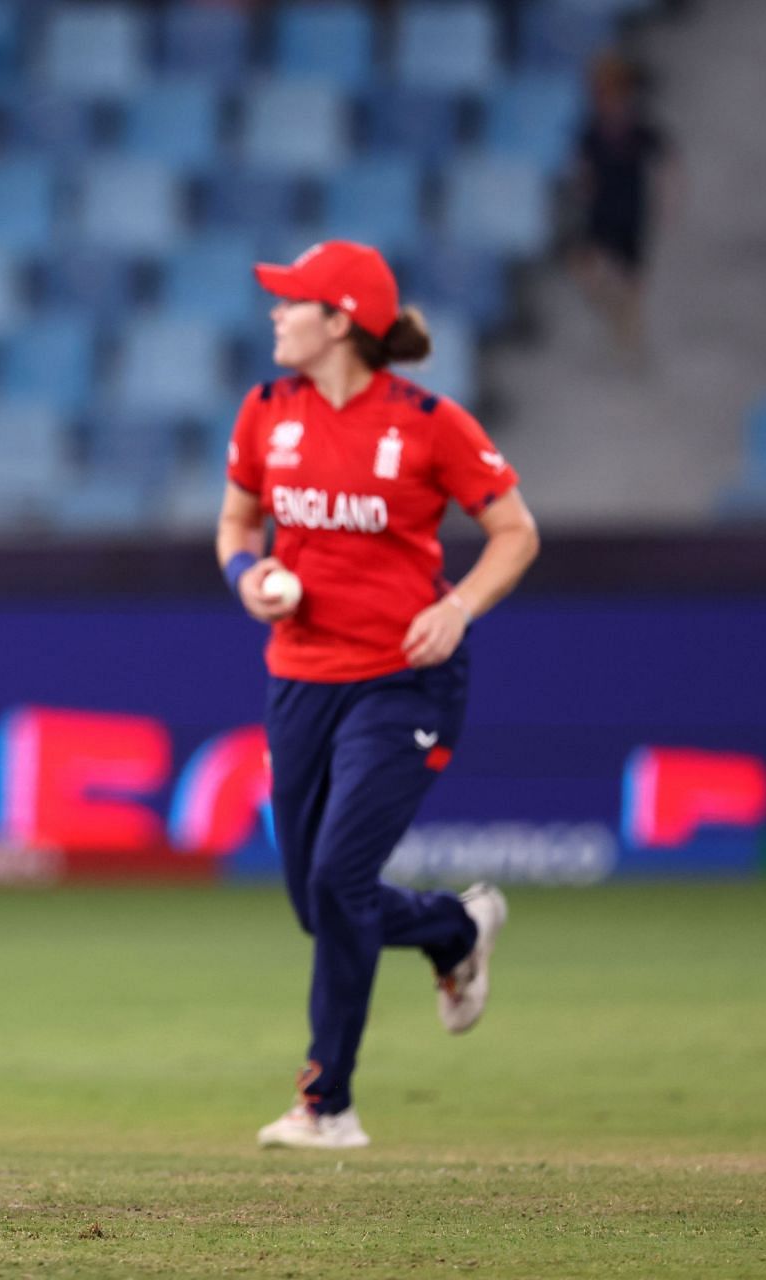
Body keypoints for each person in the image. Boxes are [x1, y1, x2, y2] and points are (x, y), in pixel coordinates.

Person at [215, 241, 540, 1150]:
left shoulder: (431, 422)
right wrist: (248, 574)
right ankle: (454, 928)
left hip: (406, 678)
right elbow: (238, 522)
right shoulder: (266, 411)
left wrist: (460, 607)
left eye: (294, 303)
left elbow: (515, 532)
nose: (276, 314)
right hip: (300, 678)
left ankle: (327, 1105)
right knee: (317, 903)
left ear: (342, 321)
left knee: (339, 879)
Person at [572, 54, 675, 354]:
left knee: (632, 285)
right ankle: (617, 313)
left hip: (630, 214)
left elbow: (667, 161)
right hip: (601, 214)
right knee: (587, 272)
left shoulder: (640, 130)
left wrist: (668, 201)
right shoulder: (591, 131)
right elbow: (584, 171)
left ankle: (630, 338)